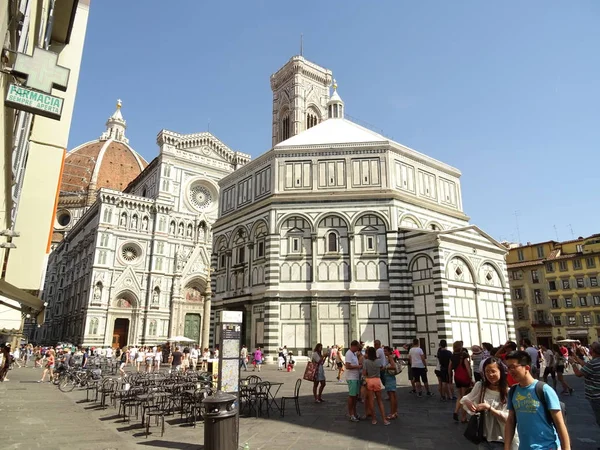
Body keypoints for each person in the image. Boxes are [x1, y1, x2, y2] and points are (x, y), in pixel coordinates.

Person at [504, 350, 570, 450]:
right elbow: (511, 420)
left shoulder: (544, 389)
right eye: (508, 368)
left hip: (547, 447)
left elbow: (560, 423)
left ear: (526, 367)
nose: (511, 371)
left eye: (513, 367)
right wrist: (507, 446)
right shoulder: (513, 391)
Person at [460, 357, 518, 450]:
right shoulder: (480, 387)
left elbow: (509, 419)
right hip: (483, 439)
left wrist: (489, 408)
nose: (490, 374)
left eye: (493, 371)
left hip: (502, 440)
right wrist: (468, 402)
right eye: (487, 371)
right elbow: (464, 399)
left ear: (501, 372)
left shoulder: (509, 392)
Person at [569, 341, 600, 428]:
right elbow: (586, 365)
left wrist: (573, 363)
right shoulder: (594, 363)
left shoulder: (593, 363)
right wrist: (576, 358)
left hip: (596, 396)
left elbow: (578, 374)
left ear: (592, 351)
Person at [363, 346, 390, 425]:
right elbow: (382, 368)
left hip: (369, 380)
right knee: (379, 400)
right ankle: (384, 419)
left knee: (371, 401)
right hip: (377, 380)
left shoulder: (366, 362)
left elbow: (364, 373)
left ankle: (374, 419)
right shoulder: (378, 361)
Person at [450, 340, 472, 423]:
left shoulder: (452, 356)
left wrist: (449, 377)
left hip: (457, 377)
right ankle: (463, 417)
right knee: (465, 397)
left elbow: (449, 367)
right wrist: (470, 377)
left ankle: (456, 411)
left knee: (460, 396)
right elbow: (467, 368)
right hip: (464, 378)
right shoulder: (463, 356)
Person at [345, 340, 363, 422]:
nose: (358, 348)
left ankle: (354, 413)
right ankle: (351, 414)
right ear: (354, 346)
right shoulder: (349, 353)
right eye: (357, 347)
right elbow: (347, 366)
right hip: (351, 377)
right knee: (352, 396)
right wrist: (358, 367)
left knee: (355, 397)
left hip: (355, 377)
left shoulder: (354, 354)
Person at [382, 346, 398, 420]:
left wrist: (385, 368)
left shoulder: (390, 357)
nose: (384, 352)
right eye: (384, 351)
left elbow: (393, 367)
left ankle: (392, 413)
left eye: (385, 351)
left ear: (389, 351)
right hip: (390, 378)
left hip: (389, 378)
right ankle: (395, 412)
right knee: (393, 396)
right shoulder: (389, 357)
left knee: (392, 396)